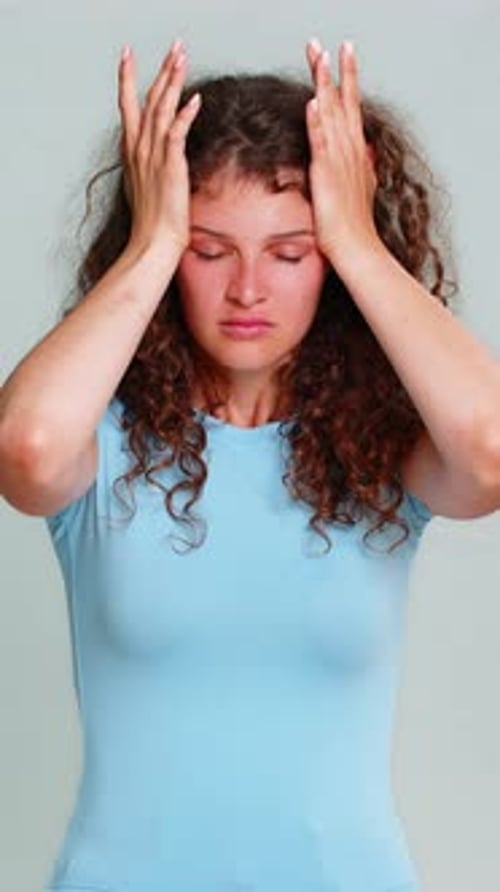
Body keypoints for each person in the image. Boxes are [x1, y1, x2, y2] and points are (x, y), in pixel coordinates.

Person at [1, 34, 500, 892]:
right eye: (210, 249)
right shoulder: (100, 439)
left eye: (291, 253)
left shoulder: (379, 454)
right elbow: (25, 449)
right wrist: (153, 242)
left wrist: (359, 243)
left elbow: (490, 451)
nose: (247, 290)